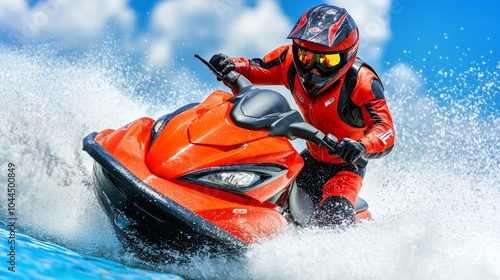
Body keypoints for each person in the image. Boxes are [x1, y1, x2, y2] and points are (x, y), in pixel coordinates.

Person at [209, 4, 395, 228]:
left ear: (347, 56)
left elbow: (386, 130)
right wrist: (229, 64)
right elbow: (253, 67)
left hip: (346, 168)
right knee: (268, 198)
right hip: (309, 159)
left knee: (332, 223)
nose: (313, 69)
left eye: (326, 61)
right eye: (306, 57)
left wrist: (361, 146)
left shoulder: (362, 83)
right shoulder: (289, 61)